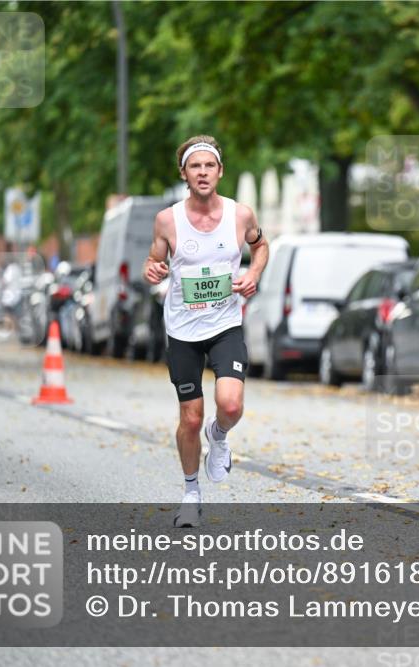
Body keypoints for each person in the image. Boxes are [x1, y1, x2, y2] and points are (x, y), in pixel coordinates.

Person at [142, 135, 268, 527]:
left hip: (225, 324)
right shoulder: (168, 220)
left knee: (230, 405)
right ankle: (191, 493)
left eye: (209, 166)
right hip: (182, 330)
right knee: (190, 418)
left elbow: (261, 246)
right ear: (184, 174)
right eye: (194, 166)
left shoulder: (240, 215)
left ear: (219, 171)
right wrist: (153, 269)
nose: (202, 172)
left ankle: (221, 434)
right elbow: (154, 260)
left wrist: (253, 273)